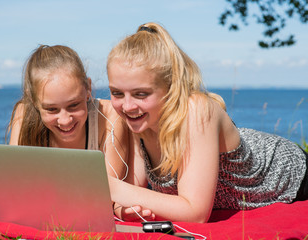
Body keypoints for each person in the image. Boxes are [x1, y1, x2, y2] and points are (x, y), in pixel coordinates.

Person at [106, 22, 308, 222]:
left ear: (170, 87)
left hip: (295, 178)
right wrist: (124, 210)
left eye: (141, 94)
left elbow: (195, 212)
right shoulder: (137, 122)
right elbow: (133, 191)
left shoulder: (196, 110)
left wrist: (113, 188)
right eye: (117, 93)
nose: (127, 106)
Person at [8, 44, 130, 180]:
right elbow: (15, 179)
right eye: (51, 109)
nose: (65, 120)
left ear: (88, 88)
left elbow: (111, 191)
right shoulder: (24, 115)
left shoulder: (109, 117)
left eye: (74, 105)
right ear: (33, 101)